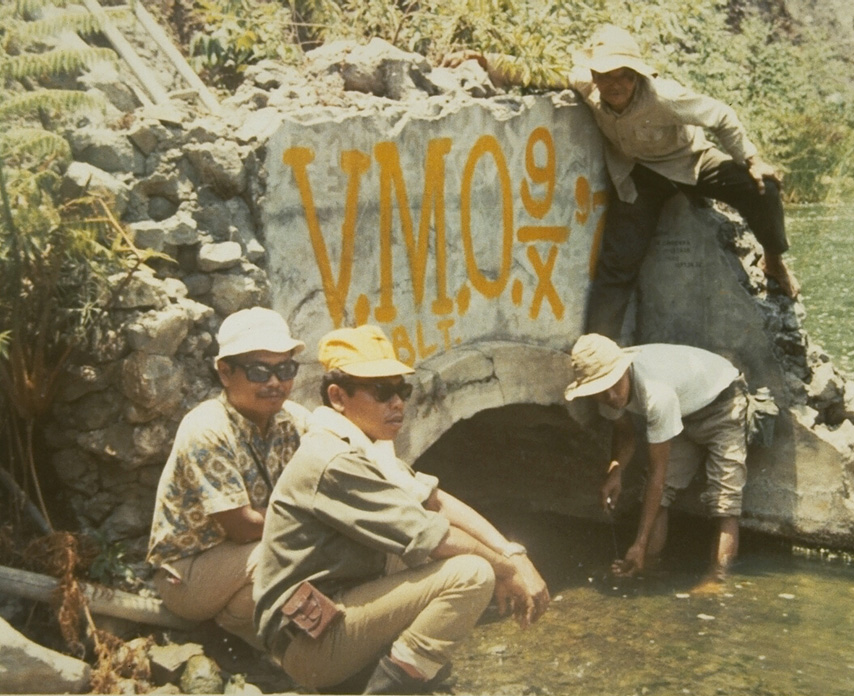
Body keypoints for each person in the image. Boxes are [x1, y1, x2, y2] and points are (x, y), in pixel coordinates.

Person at [444, 25, 799, 339]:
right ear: (594, 77)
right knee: (616, 265)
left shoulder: (665, 97)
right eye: (606, 76)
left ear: (637, 76)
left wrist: (751, 159)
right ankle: (601, 361)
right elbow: (540, 73)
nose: (615, 85)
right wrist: (483, 59)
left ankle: (773, 259)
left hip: (690, 161)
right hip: (638, 175)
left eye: (624, 76)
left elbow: (721, 115)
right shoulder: (589, 87)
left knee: (761, 188)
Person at [253, 324, 550, 694]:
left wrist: (512, 552)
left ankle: (393, 670)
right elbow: (434, 536)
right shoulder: (332, 458)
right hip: (307, 643)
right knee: (470, 573)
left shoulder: (366, 445)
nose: (398, 403)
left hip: (331, 614)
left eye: (401, 390)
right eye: (382, 392)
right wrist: (506, 569)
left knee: (442, 560)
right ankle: (388, 687)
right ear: (337, 396)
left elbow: (436, 501)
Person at [146, 307, 310, 647]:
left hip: (247, 555)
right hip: (190, 573)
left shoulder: (293, 420)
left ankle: (240, 621)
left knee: (315, 548)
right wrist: (318, 518)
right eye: (259, 371)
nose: (275, 383)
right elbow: (244, 527)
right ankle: (292, 649)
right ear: (225, 373)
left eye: (285, 369)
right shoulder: (206, 428)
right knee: (291, 552)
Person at [564, 333, 748, 594]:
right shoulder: (606, 395)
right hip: (682, 412)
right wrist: (615, 471)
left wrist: (638, 541)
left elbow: (657, 475)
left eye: (614, 385)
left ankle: (717, 580)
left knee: (725, 501)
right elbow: (625, 434)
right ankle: (646, 566)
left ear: (625, 369)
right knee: (660, 500)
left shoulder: (656, 393)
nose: (613, 396)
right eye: (601, 393)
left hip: (722, 402)